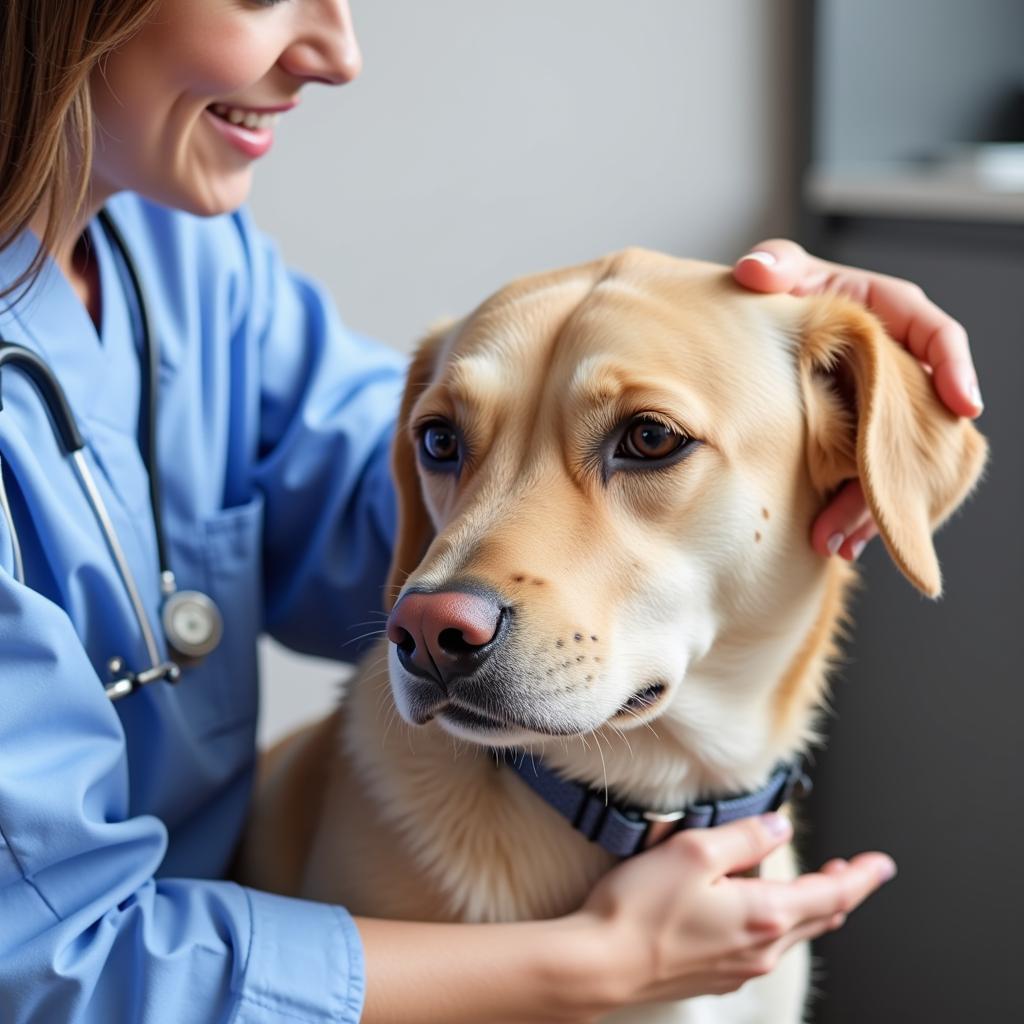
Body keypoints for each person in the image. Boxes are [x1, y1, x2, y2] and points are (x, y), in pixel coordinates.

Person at [0, 2, 982, 1022]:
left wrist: (800, 360)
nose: (338, 55)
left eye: (649, 439)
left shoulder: (185, 258)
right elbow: (39, 966)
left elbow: (402, 518)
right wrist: (595, 965)